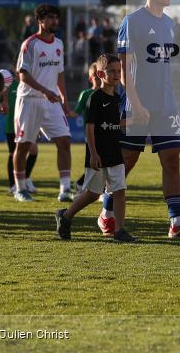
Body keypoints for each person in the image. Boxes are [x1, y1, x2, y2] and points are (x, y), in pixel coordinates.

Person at [111, 0, 180, 239]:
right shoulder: (132, 21)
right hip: (138, 104)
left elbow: (173, 56)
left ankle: (176, 222)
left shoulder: (169, 23)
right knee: (127, 162)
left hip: (166, 104)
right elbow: (124, 69)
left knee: (172, 160)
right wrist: (135, 103)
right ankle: (107, 212)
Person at [56, 54, 135, 243]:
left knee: (119, 190)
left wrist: (134, 122)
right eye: (112, 72)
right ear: (100, 74)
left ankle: (120, 230)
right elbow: (90, 128)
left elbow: (114, 124)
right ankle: (65, 215)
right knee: (93, 193)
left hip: (115, 152)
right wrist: (93, 153)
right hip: (98, 154)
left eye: (119, 71)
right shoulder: (95, 98)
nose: (117, 75)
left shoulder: (117, 98)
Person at [12, 3, 74, 203]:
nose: (54, 21)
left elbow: (60, 73)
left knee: (64, 141)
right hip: (29, 100)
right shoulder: (30, 44)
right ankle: (20, 189)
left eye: (56, 17)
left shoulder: (59, 44)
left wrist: (63, 98)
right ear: (40, 20)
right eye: (49, 18)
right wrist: (46, 91)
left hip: (51, 101)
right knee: (23, 146)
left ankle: (65, 190)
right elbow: (23, 75)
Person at [3, 78, 38, 196]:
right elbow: (3, 102)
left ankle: (26, 177)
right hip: (11, 125)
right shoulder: (9, 85)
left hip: (27, 123)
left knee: (33, 151)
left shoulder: (31, 83)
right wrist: (4, 102)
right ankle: (12, 184)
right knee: (13, 153)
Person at [72, 62, 101, 191]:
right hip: (91, 136)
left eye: (100, 75)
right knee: (93, 163)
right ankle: (82, 186)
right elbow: (75, 112)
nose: (98, 78)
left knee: (104, 164)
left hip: (106, 134)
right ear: (90, 78)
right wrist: (64, 108)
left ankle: (85, 185)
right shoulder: (86, 94)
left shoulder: (109, 93)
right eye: (95, 76)